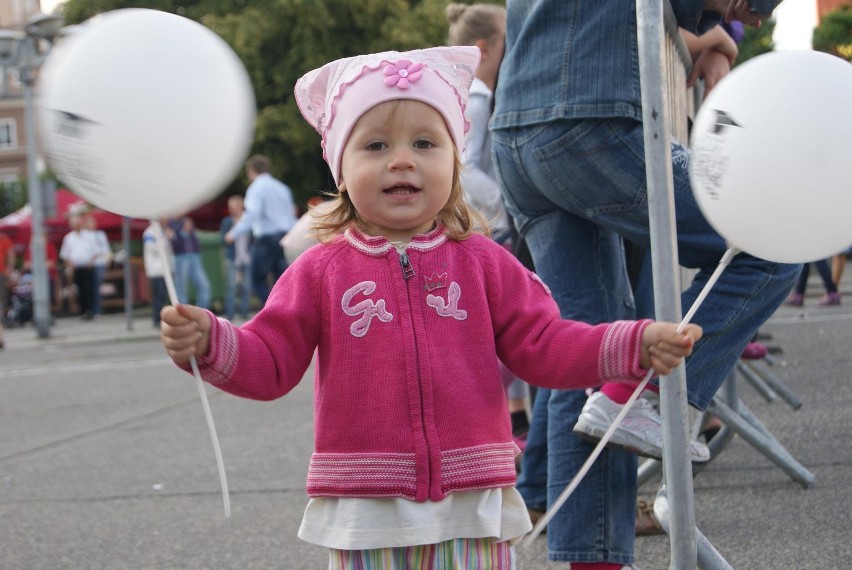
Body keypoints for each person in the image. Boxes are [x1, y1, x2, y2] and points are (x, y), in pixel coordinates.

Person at [159, 46, 702, 569]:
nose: (401, 160)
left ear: (455, 161)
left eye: (424, 143)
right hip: (368, 509)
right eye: (374, 146)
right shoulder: (319, 271)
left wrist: (630, 344)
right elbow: (271, 359)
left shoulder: (485, 262)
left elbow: (544, 345)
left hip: (472, 504)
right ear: (339, 171)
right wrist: (212, 341)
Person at [490, 2, 800, 568]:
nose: (752, 17)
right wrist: (717, 36)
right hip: (590, 122)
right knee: (774, 238)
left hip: (516, 131)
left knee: (589, 354)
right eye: (756, 3)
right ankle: (645, 395)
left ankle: (595, 559)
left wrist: (712, 33)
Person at [446, 2, 531, 448]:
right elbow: (465, 167)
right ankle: (475, 422)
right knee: (507, 330)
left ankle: (502, 422)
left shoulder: (474, 92)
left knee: (504, 327)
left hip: (493, 224)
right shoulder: (478, 95)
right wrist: (511, 200)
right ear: (483, 48)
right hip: (497, 225)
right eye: (509, 39)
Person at [224, 155, 298, 306]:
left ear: (251, 171)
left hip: (266, 237)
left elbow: (251, 214)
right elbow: (291, 215)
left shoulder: (256, 188)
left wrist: (233, 233)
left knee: (255, 279)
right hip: (285, 236)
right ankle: (286, 310)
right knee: (281, 279)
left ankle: (273, 311)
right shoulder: (282, 187)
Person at [59, 214, 100, 320]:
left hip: (89, 266)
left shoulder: (90, 236)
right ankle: (83, 311)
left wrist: (90, 262)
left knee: (90, 289)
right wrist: (70, 264)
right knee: (79, 289)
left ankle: (91, 311)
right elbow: (65, 255)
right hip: (76, 268)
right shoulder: (68, 238)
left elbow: (96, 251)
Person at [165, 216, 211, 309]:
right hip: (181, 258)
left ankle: (201, 312)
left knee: (204, 285)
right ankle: (183, 312)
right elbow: (174, 243)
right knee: (181, 287)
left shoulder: (192, 233)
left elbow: (197, 244)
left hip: (194, 257)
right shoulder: (172, 226)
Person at [219, 195, 252, 321]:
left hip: (246, 257)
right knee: (231, 286)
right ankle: (230, 313)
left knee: (246, 286)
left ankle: (244, 312)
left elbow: (253, 238)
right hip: (232, 258)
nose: (232, 209)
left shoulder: (247, 221)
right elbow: (223, 239)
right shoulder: (227, 221)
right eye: (230, 207)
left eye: (234, 206)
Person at [142, 220, 174, 328]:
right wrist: (164, 238)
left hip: (165, 269)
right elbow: (152, 248)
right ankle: (157, 319)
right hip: (155, 270)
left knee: (163, 295)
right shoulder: (149, 233)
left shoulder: (163, 231)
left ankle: (161, 319)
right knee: (158, 295)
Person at [84, 216, 112, 318]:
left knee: (96, 287)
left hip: (98, 263)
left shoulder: (100, 235)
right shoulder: (85, 235)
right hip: (87, 264)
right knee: (90, 287)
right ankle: (91, 309)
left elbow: (104, 250)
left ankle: (97, 310)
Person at [0, 230, 15, 349]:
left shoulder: (3, 238)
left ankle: (1, 337)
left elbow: (11, 253)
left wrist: (9, 269)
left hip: (1, 274)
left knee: (2, 303)